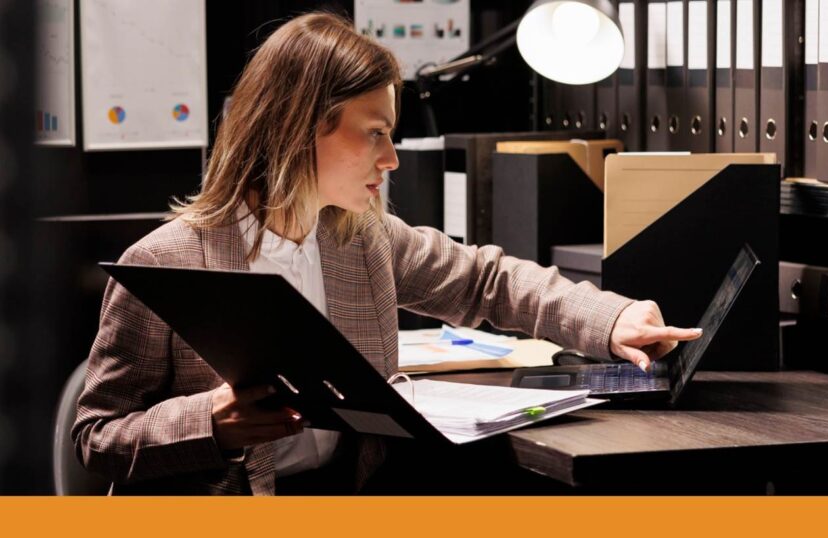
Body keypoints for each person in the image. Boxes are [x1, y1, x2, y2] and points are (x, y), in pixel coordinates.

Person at [73, 11, 702, 495]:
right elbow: (96, 439)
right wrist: (209, 422)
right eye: (375, 133)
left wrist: (611, 320)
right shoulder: (163, 262)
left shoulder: (359, 239)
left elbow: (487, 280)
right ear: (299, 128)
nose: (392, 158)